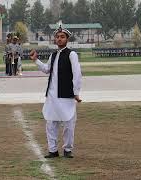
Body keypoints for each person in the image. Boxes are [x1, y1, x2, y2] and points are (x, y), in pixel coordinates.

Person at [30, 26, 82, 159]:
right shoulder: (53, 55)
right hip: (52, 96)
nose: (59, 39)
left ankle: (68, 149)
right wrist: (36, 60)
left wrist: (76, 92)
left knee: (69, 123)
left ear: (67, 39)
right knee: (51, 123)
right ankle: (52, 150)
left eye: (62, 37)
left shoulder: (72, 54)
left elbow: (77, 75)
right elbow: (47, 69)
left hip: (66, 95)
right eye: (57, 37)